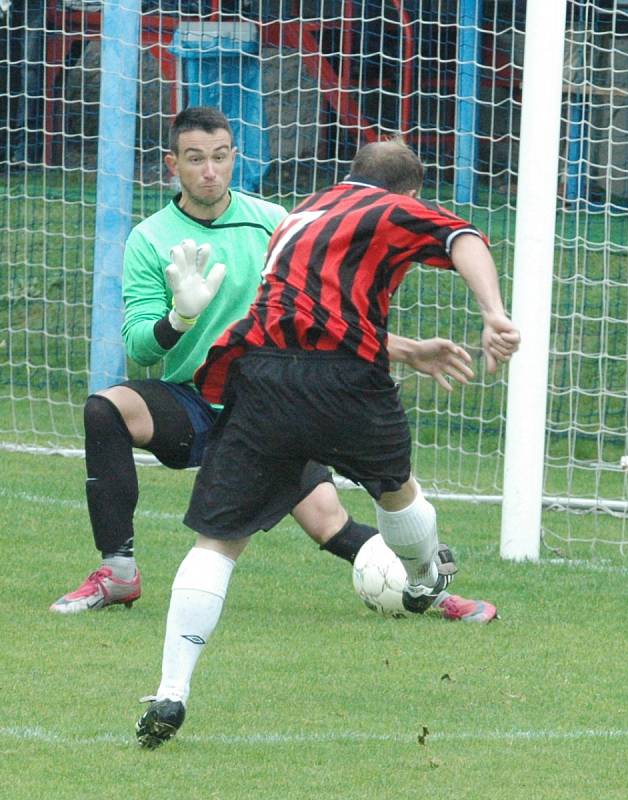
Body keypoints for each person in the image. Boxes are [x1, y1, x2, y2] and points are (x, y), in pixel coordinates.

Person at [134, 138, 521, 749]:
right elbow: (463, 237)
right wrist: (495, 311)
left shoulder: (301, 214)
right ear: (410, 193)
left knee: (219, 542)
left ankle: (171, 691)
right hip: (346, 382)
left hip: (261, 376)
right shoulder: (391, 210)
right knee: (396, 493)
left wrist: (411, 349)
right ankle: (423, 578)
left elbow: (308, 310)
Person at [49, 107, 474, 615]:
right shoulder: (150, 238)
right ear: (172, 165)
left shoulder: (277, 222)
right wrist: (179, 319)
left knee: (328, 521)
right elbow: (140, 348)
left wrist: (405, 349)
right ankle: (117, 572)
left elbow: (328, 321)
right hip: (191, 402)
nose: (210, 170)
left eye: (220, 157)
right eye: (195, 158)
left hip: (270, 402)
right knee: (106, 408)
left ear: (234, 159)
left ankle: (434, 591)